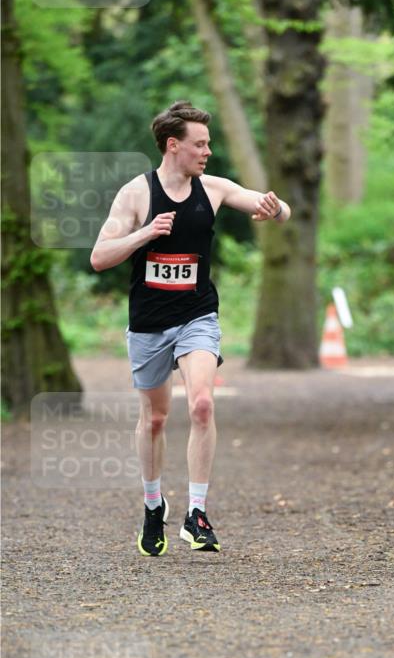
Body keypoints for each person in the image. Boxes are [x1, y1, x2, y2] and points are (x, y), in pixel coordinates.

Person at [90, 100, 291, 556]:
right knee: (156, 418)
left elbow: (276, 210)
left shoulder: (214, 188)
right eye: (200, 144)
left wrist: (275, 210)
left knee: (202, 404)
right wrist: (145, 234)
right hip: (148, 323)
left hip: (197, 315)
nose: (208, 151)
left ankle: (196, 513)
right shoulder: (136, 195)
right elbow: (99, 258)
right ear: (173, 145)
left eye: (209, 143)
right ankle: (152, 504)